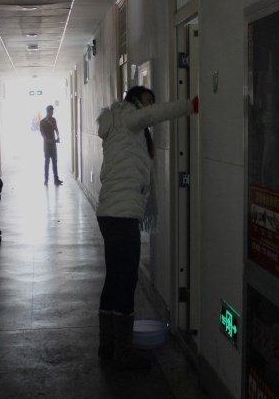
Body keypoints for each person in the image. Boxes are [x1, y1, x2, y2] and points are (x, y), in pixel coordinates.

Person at [96, 86, 198, 370]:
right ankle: (123, 353)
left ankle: (107, 346)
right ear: (135, 100)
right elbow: (155, 114)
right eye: (147, 100)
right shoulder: (128, 116)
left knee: (114, 278)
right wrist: (190, 105)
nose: (151, 105)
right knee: (126, 281)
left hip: (109, 213)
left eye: (153, 101)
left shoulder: (118, 126)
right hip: (121, 215)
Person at [39, 105, 63, 186]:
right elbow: (42, 134)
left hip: (53, 144)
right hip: (46, 145)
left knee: (55, 162)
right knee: (47, 162)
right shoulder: (42, 122)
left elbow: (56, 129)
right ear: (47, 111)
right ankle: (46, 180)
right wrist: (47, 140)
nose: (52, 113)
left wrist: (58, 136)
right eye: (51, 111)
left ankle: (56, 179)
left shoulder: (53, 120)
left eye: (53, 111)